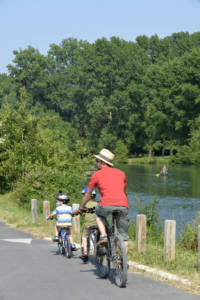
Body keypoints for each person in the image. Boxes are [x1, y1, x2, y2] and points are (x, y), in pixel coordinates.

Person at [80, 148, 129, 253]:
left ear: (102, 162)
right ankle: (123, 262)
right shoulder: (121, 173)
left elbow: (88, 194)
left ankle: (103, 236)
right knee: (124, 236)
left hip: (106, 204)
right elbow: (125, 192)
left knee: (98, 215)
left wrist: (82, 206)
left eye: (97, 161)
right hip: (123, 205)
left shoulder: (96, 174)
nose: (96, 163)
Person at [80, 187, 98, 261]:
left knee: (84, 237)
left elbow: (81, 211)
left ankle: (85, 252)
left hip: (88, 225)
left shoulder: (85, 204)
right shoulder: (97, 204)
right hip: (97, 224)